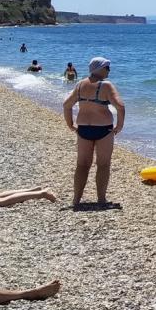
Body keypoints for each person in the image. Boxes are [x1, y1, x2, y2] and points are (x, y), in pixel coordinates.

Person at [62, 57, 125, 207]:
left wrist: (70, 124)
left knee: (82, 164)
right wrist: (119, 126)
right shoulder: (106, 86)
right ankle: (101, 200)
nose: (109, 70)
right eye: (107, 67)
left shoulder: (80, 84)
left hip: (84, 128)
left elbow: (66, 105)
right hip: (103, 129)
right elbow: (120, 107)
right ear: (99, 69)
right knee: (103, 164)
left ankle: (76, 200)